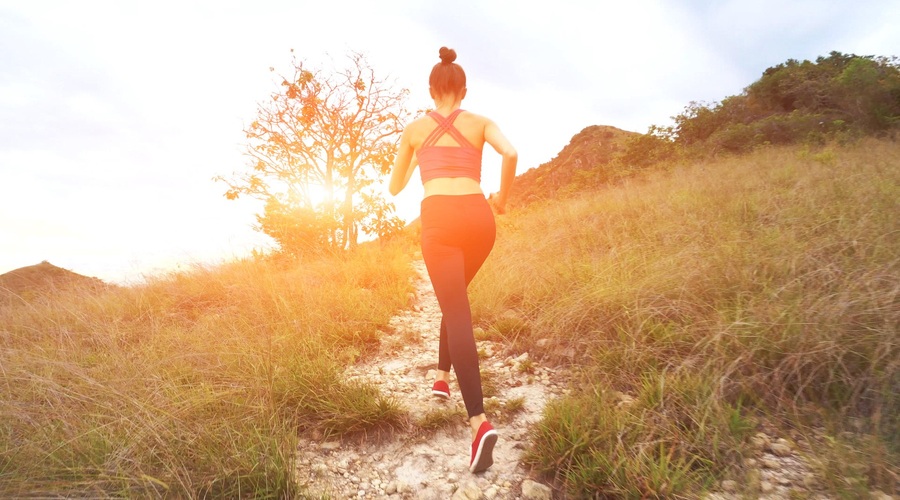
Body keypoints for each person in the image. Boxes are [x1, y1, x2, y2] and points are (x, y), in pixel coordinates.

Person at [389, 46, 517, 474]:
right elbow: (511, 153)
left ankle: (479, 422)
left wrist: (416, 163)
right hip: (480, 218)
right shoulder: (480, 122)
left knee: (456, 309)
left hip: (440, 219)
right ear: (464, 90)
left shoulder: (413, 129)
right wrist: (503, 201)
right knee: (455, 296)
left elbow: (394, 187)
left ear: (431, 90)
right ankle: (441, 377)